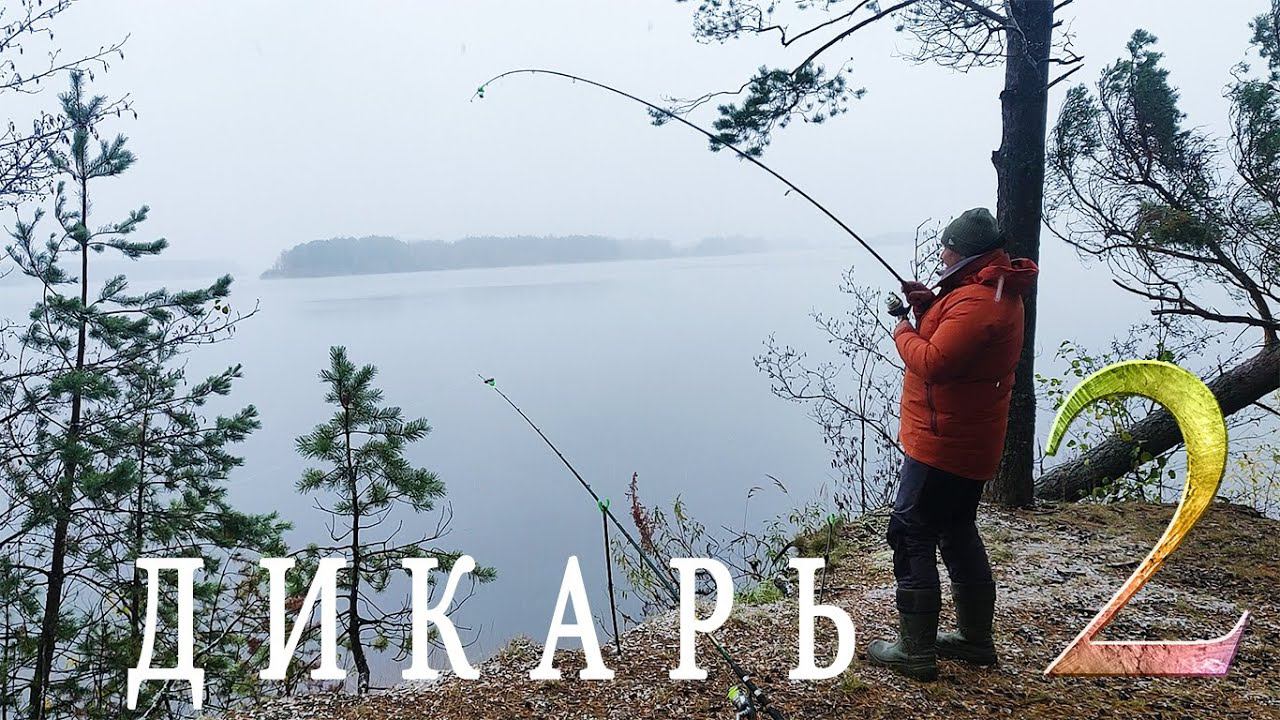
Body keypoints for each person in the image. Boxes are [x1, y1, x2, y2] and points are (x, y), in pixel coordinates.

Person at [866, 207, 1039, 681]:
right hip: (967, 439)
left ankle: (915, 651)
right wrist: (928, 306)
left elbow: (935, 359)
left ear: (965, 253)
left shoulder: (981, 301)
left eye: (947, 248)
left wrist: (902, 326)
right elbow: (953, 334)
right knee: (956, 529)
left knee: (910, 530)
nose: (941, 254)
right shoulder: (985, 291)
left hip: (944, 443)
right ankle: (974, 639)